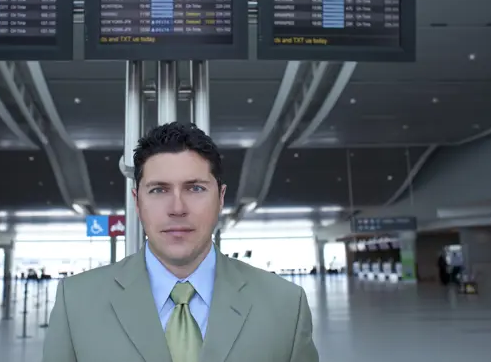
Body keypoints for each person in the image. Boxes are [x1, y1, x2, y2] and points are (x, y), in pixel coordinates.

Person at [42, 122, 319, 362]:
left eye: (195, 188)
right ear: (137, 201)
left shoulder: (285, 305)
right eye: (159, 190)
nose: (177, 208)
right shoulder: (76, 303)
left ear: (221, 198)